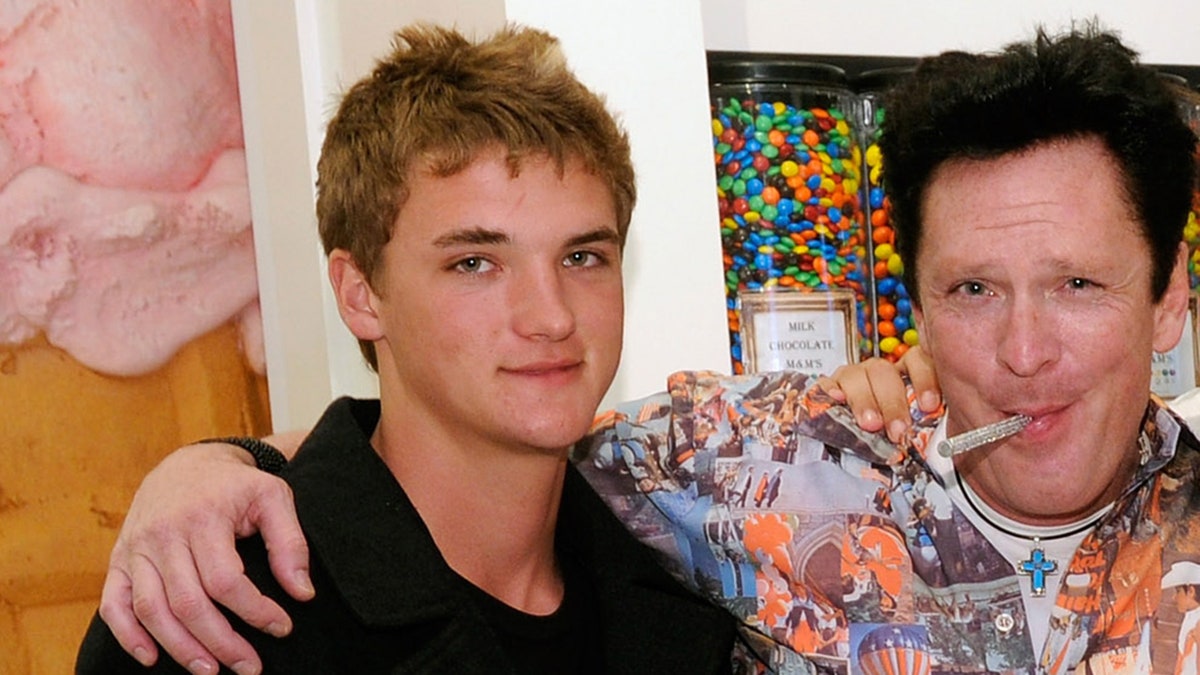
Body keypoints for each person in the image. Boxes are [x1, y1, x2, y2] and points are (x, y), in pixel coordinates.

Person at [90, 23, 1200, 673]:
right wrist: (210, 469)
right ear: (912, 302)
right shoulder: (764, 467)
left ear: (1169, 303)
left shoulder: (651, 608)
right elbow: (458, 444)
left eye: (1080, 287)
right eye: (971, 289)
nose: (1022, 348)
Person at [75, 23, 739, 674]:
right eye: (475, 262)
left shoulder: (685, 589)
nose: (552, 316)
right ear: (361, 294)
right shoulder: (207, 615)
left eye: (582, 255)